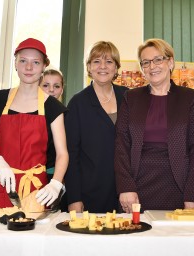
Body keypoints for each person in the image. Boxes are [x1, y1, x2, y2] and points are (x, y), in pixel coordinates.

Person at [114, 38, 194, 213]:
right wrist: (125, 186)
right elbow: (121, 145)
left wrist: (193, 195)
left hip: (178, 185)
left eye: (158, 59)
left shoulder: (190, 98)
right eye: (146, 62)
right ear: (141, 69)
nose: (152, 66)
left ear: (170, 62)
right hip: (136, 186)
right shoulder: (131, 98)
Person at [0, 38, 68, 207]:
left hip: (36, 192)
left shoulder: (53, 107)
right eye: (23, 61)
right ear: (15, 63)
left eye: (36, 62)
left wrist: (56, 183)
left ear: (44, 66)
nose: (29, 67)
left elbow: (62, 154)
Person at [64, 41, 128, 213]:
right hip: (89, 194)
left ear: (116, 68)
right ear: (89, 67)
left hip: (127, 193)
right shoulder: (78, 103)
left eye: (109, 62)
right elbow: (71, 154)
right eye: (96, 61)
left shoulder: (129, 97)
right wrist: (74, 198)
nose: (103, 67)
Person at [40, 69, 65, 181]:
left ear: (62, 90)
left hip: (55, 176)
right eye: (45, 85)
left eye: (56, 86)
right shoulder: (30, 113)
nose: (51, 90)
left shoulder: (66, 114)